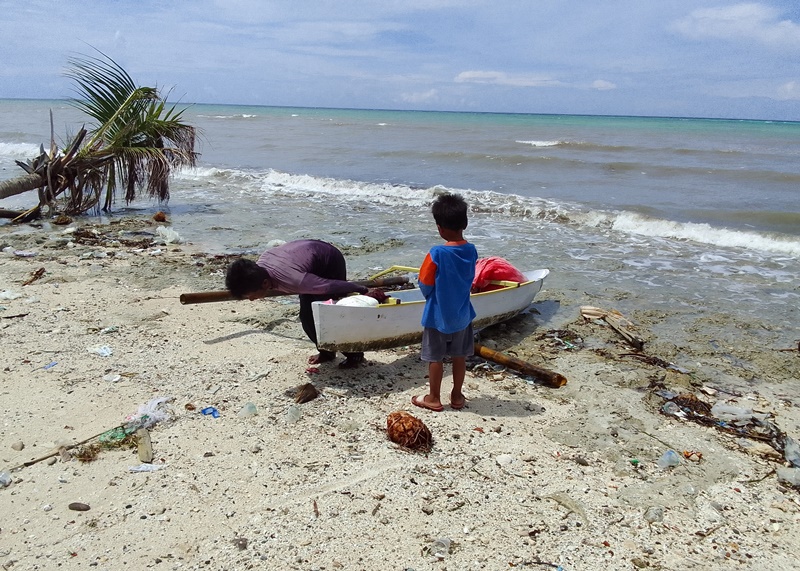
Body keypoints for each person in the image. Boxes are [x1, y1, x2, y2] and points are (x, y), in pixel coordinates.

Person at [225, 239, 369, 369]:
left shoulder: (294, 281)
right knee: (307, 317)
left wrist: (360, 289)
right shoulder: (261, 266)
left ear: (265, 283)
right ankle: (327, 352)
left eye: (251, 295)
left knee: (330, 316)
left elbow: (330, 285)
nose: (251, 299)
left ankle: (355, 355)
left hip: (329, 260)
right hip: (305, 263)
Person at [411, 193, 478, 412]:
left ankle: (433, 397)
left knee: (435, 358)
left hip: (437, 315)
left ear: (439, 228)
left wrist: (432, 295)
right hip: (462, 314)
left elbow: (424, 283)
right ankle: (457, 396)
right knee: (460, 356)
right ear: (465, 224)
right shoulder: (471, 250)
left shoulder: (436, 253)